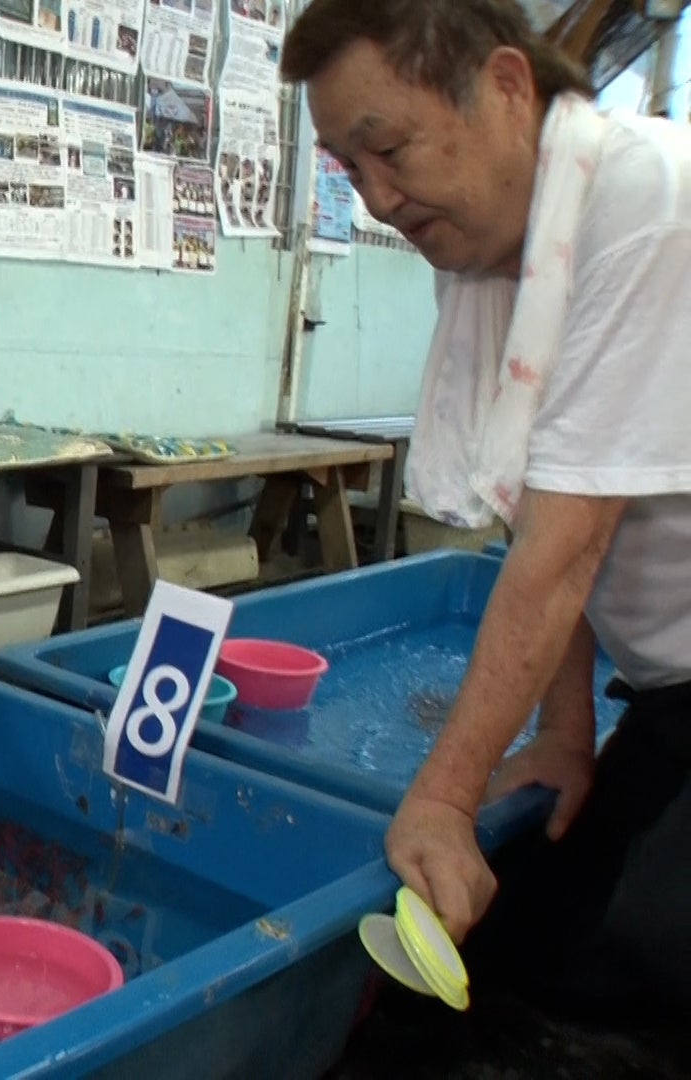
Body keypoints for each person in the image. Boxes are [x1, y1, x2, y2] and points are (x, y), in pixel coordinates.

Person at [283, 0, 691, 1020]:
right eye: (347, 169)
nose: (377, 198)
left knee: (648, 966)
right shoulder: (485, 252)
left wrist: (444, 795)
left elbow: (563, 549)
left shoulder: (647, 199)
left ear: (508, 86)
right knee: (534, 929)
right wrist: (563, 731)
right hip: (668, 680)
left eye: (389, 148)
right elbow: (530, 504)